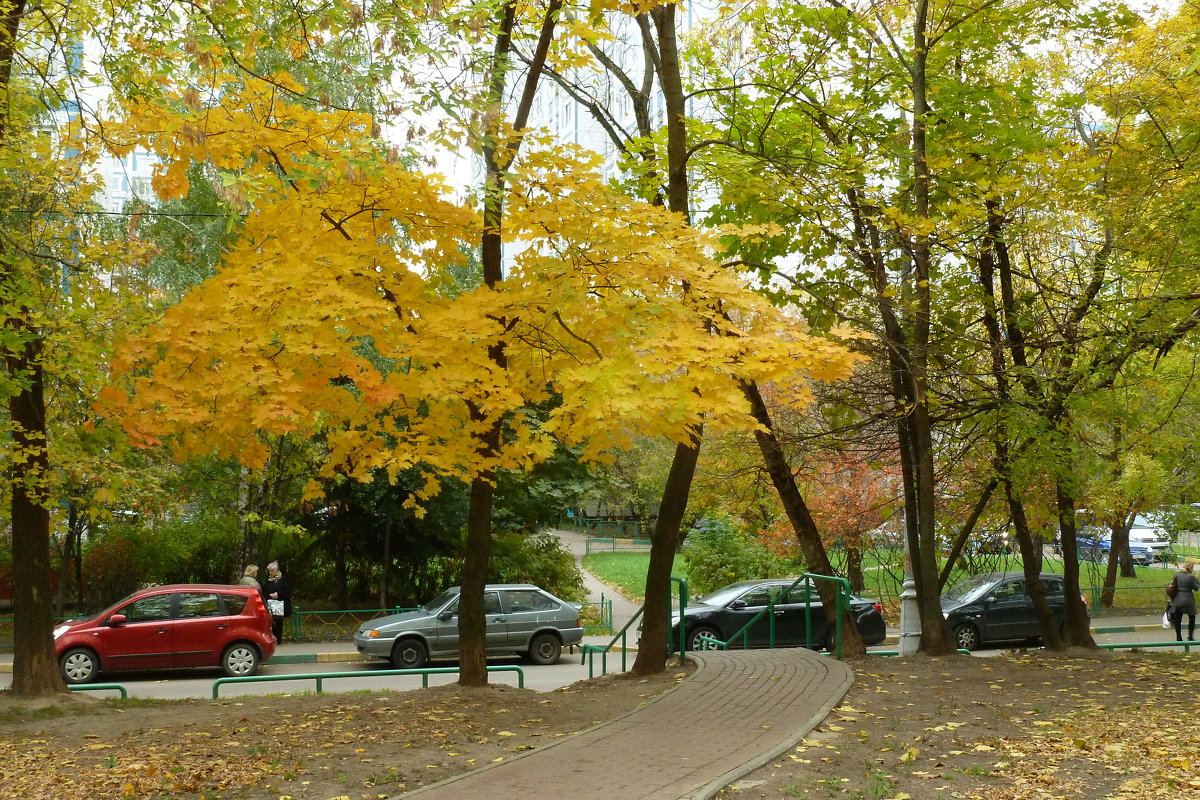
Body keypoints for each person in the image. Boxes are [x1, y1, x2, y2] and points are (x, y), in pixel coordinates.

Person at [1169, 558, 1200, 642]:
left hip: (1178, 598)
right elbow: (1196, 588)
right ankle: (1190, 636)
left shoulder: (1177, 575)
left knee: (1178, 618)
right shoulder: (1191, 577)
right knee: (1192, 617)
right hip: (1188, 599)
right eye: (1192, 567)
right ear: (1190, 567)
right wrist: (1197, 579)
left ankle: (1178, 637)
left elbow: (1173, 585)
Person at [263, 561, 293, 643]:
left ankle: (278, 639)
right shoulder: (268, 581)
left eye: (272, 571)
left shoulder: (283, 580)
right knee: (271, 622)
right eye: (270, 571)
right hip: (270, 604)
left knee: (279, 621)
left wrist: (278, 594)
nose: (271, 572)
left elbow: (287, 592)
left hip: (280, 604)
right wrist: (269, 595)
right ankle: (272, 638)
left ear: (277, 571)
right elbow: (264, 592)